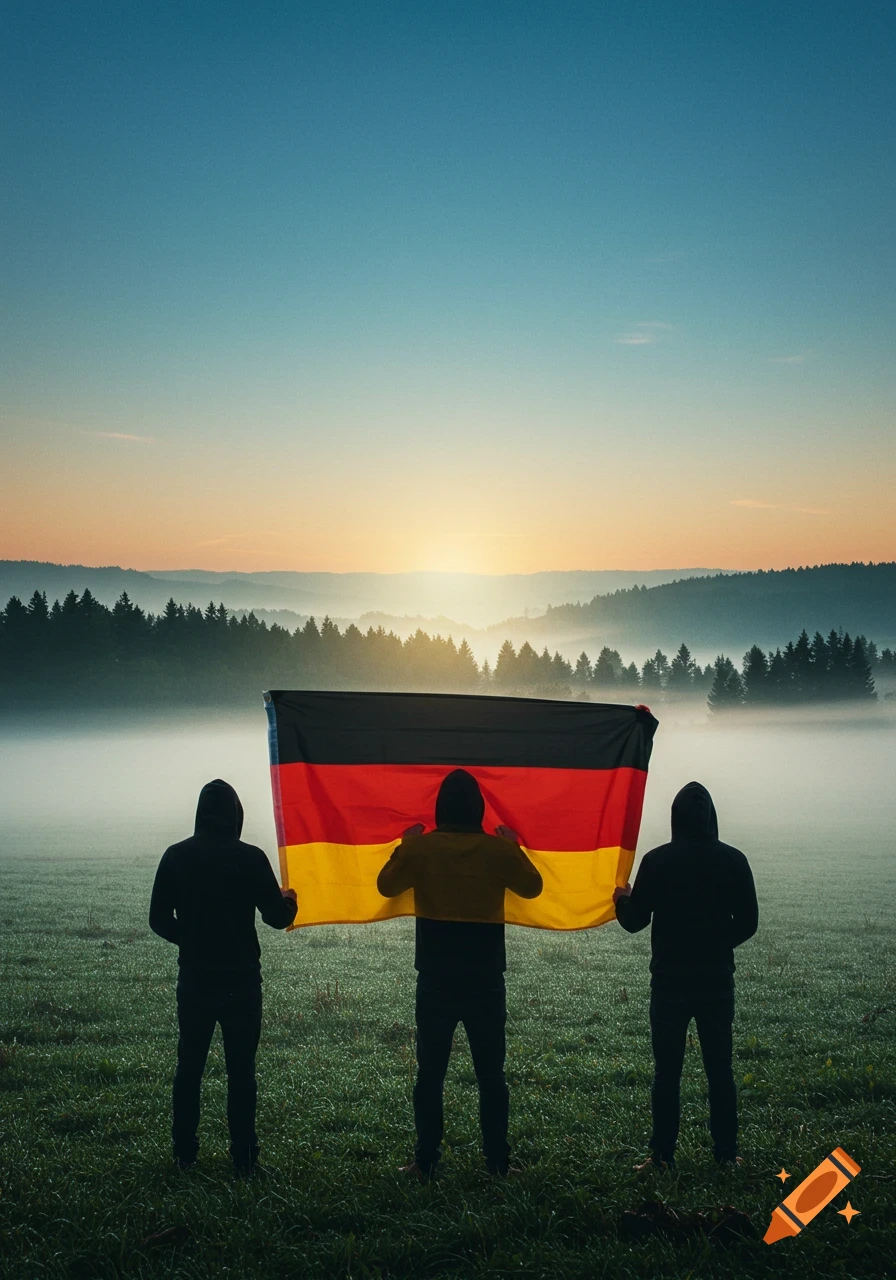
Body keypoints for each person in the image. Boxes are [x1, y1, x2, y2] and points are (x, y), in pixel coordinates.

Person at [377, 768, 543, 1179]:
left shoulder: (422, 850)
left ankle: (425, 1161)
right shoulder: (497, 852)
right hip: (486, 977)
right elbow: (533, 887)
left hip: (435, 976)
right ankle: (498, 1164)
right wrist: (513, 846)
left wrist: (406, 845)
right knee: (491, 1076)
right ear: (479, 810)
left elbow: (385, 886)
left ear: (439, 809)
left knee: (430, 1074)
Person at [149, 778, 297, 1174]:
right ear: (236, 815)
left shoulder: (175, 856)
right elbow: (277, 919)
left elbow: (158, 920)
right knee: (242, 1072)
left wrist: (191, 941)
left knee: (189, 1067)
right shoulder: (250, 858)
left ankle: (184, 1156)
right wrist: (290, 900)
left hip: (195, 979)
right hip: (242, 982)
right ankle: (245, 1161)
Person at [614, 781, 758, 1170]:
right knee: (719, 1069)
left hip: (669, 981)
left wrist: (620, 898)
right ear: (711, 818)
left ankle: (661, 1157)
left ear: (675, 818)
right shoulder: (734, 860)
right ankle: (727, 1155)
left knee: (667, 1073)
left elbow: (634, 922)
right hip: (715, 981)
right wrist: (716, 943)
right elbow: (749, 923)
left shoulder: (658, 861)